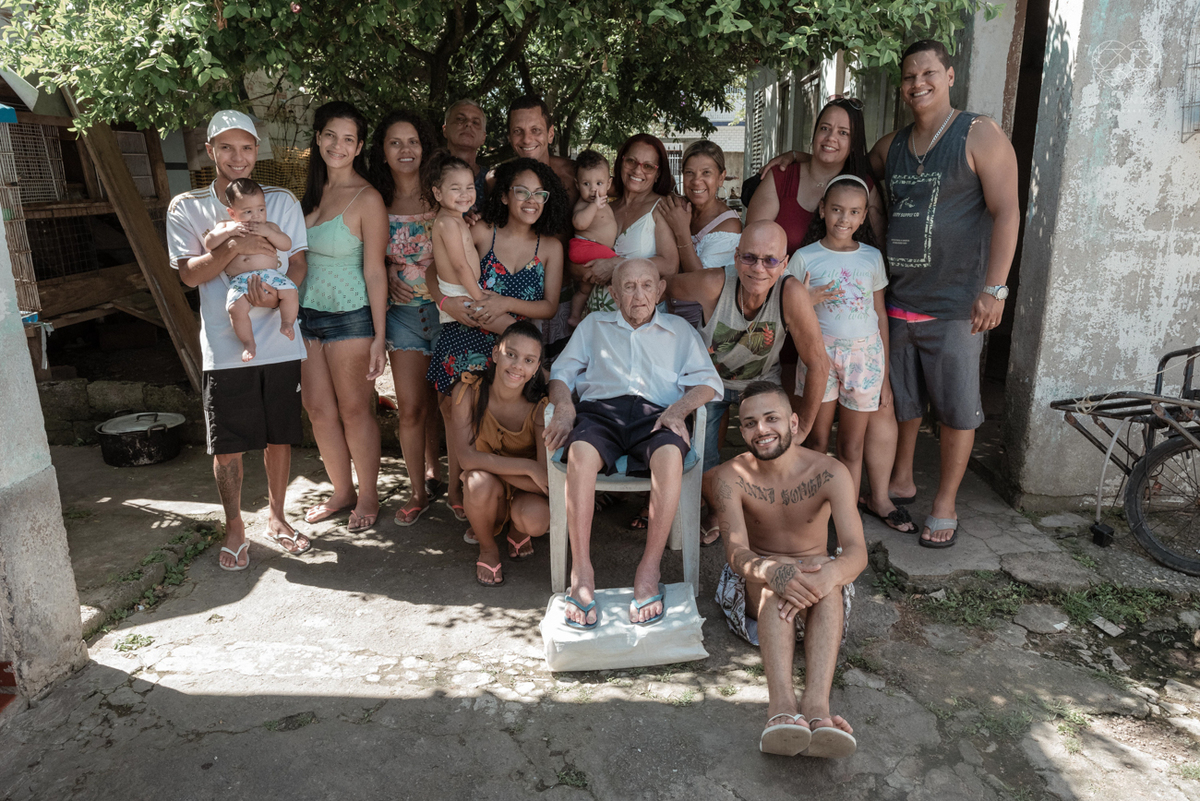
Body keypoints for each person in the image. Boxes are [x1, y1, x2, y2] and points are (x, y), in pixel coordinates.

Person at [868, 40, 1019, 547]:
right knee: (905, 401)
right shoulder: (892, 147)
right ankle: (903, 478)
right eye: (909, 77)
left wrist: (995, 289)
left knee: (955, 409)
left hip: (956, 305)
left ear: (949, 76)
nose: (918, 84)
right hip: (898, 299)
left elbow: (1008, 212)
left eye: (928, 73)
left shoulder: (979, 134)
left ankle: (945, 503)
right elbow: (856, 167)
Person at [544, 258, 723, 628]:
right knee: (579, 454)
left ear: (659, 290)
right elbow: (562, 373)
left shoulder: (678, 330)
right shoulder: (594, 325)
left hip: (656, 414)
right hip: (600, 413)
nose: (638, 294)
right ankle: (581, 572)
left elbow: (709, 382)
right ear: (613, 293)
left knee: (670, 456)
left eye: (646, 285)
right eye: (628, 286)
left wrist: (680, 409)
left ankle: (648, 570)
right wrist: (563, 406)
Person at [167, 109, 311, 570]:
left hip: (281, 341)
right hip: (226, 346)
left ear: (257, 151)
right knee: (226, 443)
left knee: (279, 436)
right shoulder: (188, 207)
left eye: (246, 147)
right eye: (226, 148)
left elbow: (299, 263)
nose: (238, 157)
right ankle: (235, 527)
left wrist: (273, 298)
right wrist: (233, 245)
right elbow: (190, 275)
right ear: (209, 152)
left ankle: (277, 516)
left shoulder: (281, 200)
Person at [708, 381, 866, 758]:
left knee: (825, 574)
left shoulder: (830, 472)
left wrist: (827, 575)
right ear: (741, 430)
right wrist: (772, 571)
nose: (760, 430)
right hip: (755, 591)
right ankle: (780, 709)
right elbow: (735, 552)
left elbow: (857, 551)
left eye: (771, 418)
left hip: (818, 590)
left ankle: (817, 711)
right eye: (749, 423)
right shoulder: (729, 477)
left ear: (793, 423)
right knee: (772, 581)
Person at [667, 221, 830, 545]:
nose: (759, 268)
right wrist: (673, 335)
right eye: (750, 258)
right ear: (736, 256)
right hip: (709, 381)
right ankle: (718, 509)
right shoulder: (715, 282)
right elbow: (666, 287)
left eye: (770, 260)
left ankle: (768, 516)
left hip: (760, 383)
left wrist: (805, 427)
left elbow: (818, 363)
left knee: (778, 442)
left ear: (784, 264)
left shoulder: (791, 293)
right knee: (698, 452)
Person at [429, 158, 567, 521]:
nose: (531, 199)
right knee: (460, 414)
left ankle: (506, 499)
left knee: (505, 421)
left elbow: (550, 306)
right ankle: (461, 492)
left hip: (515, 348)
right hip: (466, 334)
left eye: (539, 193)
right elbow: (435, 268)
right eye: (521, 191)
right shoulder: (481, 230)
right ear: (504, 196)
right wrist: (444, 301)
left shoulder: (550, 246)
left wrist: (506, 304)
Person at [788, 177, 911, 533]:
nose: (844, 218)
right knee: (815, 439)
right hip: (818, 358)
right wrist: (806, 302)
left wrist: (884, 376)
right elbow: (788, 315)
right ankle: (812, 511)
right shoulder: (804, 258)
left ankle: (846, 520)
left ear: (863, 218)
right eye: (837, 209)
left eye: (854, 212)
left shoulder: (872, 258)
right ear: (823, 209)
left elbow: (881, 316)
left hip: (865, 360)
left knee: (852, 446)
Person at [297, 101, 389, 534]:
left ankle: (368, 495)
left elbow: (375, 270)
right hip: (307, 316)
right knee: (317, 410)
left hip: (351, 317)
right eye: (330, 135)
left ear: (359, 147)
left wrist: (379, 336)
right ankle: (341, 490)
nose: (337, 145)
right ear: (318, 138)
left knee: (355, 411)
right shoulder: (308, 195)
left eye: (348, 138)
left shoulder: (367, 197)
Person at [368, 108, 444, 525]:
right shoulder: (375, 199)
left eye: (412, 141)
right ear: (382, 151)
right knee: (412, 409)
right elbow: (365, 252)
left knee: (450, 406)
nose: (405, 149)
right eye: (395, 142)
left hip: (446, 311)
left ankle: (457, 488)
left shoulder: (441, 191)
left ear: (424, 146)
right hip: (401, 316)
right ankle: (418, 493)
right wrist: (388, 265)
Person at [446, 322, 550, 586]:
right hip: (488, 486)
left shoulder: (540, 407)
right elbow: (466, 460)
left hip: (525, 492)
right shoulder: (468, 391)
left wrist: (530, 472)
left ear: (536, 368)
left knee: (537, 520)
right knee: (476, 481)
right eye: (511, 354)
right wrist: (527, 467)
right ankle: (488, 548)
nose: (517, 366)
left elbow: (545, 483)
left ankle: (517, 527)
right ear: (494, 354)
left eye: (528, 360)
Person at [750, 97, 885, 253]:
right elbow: (752, 249)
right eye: (825, 128)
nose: (831, 138)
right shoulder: (781, 177)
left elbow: (878, 253)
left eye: (843, 133)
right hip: (780, 276)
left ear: (854, 144)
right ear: (814, 134)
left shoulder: (863, 187)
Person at [576, 134, 679, 317]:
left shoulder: (661, 208)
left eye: (648, 166)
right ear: (620, 162)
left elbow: (670, 265)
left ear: (657, 174)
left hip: (639, 319)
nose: (637, 171)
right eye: (631, 161)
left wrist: (617, 264)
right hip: (594, 315)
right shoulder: (604, 208)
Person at [204, 178, 298, 362]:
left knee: (291, 291)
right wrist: (228, 232)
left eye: (261, 209)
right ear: (232, 213)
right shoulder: (226, 226)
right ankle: (248, 343)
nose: (256, 216)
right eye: (247, 211)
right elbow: (209, 243)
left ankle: (287, 322)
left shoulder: (269, 227)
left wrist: (269, 233)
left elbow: (287, 244)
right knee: (235, 308)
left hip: (271, 276)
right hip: (240, 280)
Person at [659, 140, 743, 328]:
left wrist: (681, 231)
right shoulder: (677, 206)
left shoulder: (729, 225)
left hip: (701, 322)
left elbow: (702, 281)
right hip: (664, 311)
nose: (696, 181)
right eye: (690, 173)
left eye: (706, 173)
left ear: (721, 177)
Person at [425, 153, 485, 320]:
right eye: (455, 189)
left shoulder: (456, 219)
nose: (464, 194)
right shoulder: (447, 223)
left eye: (470, 187)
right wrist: (481, 298)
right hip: (460, 294)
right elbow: (460, 266)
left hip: (467, 290)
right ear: (438, 194)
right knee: (508, 325)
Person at [567, 149, 618, 328]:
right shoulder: (585, 204)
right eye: (586, 183)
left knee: (584, 289)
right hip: (584, 246)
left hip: (592, 250)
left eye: (599, 183)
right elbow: (579, 223)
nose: (593, 189)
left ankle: (574, 316)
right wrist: (594, 207)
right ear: (577, 184)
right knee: (621, 264)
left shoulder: (604, 201)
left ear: (609, 183)